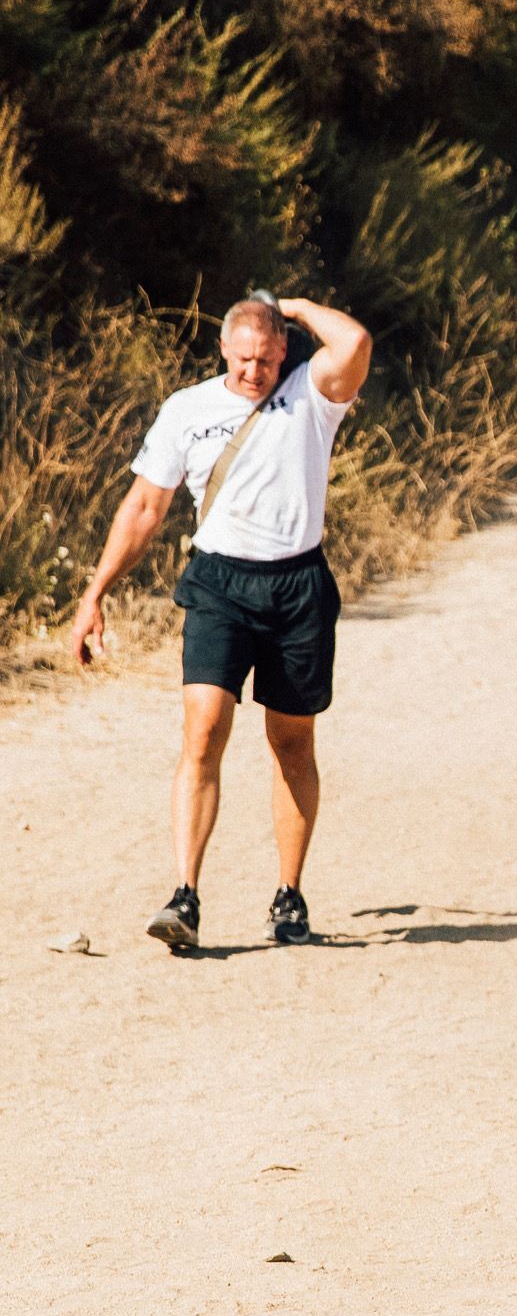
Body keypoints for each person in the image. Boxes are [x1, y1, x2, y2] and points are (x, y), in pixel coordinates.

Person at [71, 294, 372, 950]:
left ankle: (289, 897)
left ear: (283, 351)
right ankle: (185, 894)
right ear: (223, 353)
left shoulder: (312, 395)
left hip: (297, 584)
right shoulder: (189, 409)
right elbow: (145, 506)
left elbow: (353, 343)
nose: (253, 373)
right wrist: (95, 592)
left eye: (264, 360)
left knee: (291, 743)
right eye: (241, 361)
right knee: (204, 727)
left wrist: (289, 304)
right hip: (219, 583)